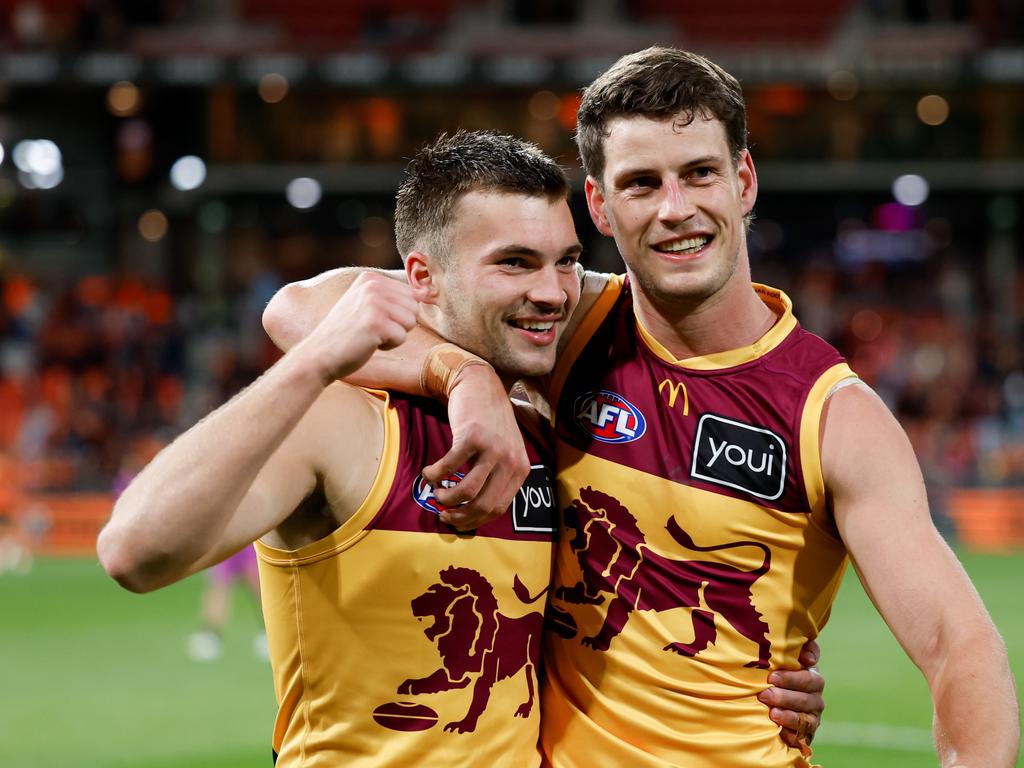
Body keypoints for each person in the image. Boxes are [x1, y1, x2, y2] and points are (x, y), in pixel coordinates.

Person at [263, 50, 1020, 767]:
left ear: (744, 181)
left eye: (699, 174)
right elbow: (300, 308)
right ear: (597, 203)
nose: (675, 210)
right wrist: (466, 376)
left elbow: (961, 645)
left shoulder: (832, 414)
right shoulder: (567, 327)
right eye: (641, 183)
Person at [99, 130, 824, 766]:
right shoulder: (347, 418)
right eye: (514, 263)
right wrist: (322, 364)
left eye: (566, 261)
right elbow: (134, 552)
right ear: (421, 278)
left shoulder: (546, 431)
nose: (552, 291)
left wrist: (767, 672)